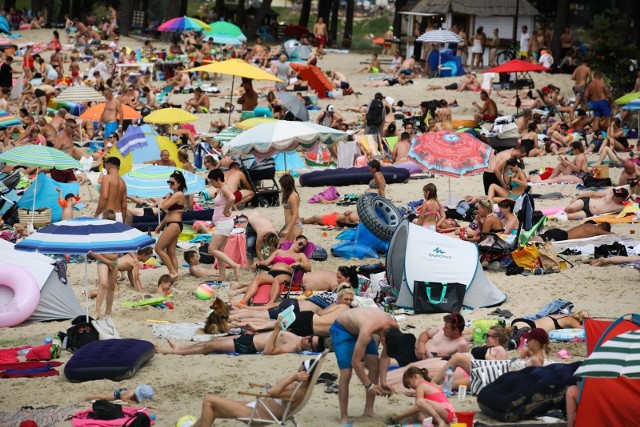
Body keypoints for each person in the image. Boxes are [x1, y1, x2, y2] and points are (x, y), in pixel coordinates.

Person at [190, 358, 318, 427]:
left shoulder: (297, 393)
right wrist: (294, 377)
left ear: (305, 374)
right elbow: (278, 382)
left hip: (258, 415)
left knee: (208, 400)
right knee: (213, 410)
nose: (296, 372)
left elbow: (272, 392)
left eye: (299, 370)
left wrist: (292, 378)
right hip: (257, 407)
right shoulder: (299, 386)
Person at [330, 307, 399, 425]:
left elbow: (384, 357)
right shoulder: (368, 330)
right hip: (342, 329)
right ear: (382, 336)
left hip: (360, 328)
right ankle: (344, 416)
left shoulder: (394, 328)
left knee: (374, 364)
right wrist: (370, 385)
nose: (382, 343)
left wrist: (383, 382)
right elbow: (356, 362)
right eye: (383, 342)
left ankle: (369, 410)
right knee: (346, 372)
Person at [155, 315, 324, 356]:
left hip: (249, 346)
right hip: (250, 338)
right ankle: (182, 348)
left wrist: (276, 331)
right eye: (310, 336)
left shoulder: (293, 347)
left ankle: (174, 352)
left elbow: (269, 352)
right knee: (214, 340)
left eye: (309, 341)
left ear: (310, 347)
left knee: (211, 346)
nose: (307, 338)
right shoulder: (298, 339)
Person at [236, 235, 311, 306]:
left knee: (277, 280)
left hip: (286, 275)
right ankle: (244, 301)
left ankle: (270, 303)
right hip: (272, 273)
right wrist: (258, 262)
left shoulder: (300, 255)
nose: (301, 247)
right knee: (257, 278)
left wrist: (299, 263)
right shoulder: (278, 251)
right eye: (300, 243)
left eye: (303, 246)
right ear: (295, 240)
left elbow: (308, 268)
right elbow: (266, 262)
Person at [431, 325, 509, 388]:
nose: (486, 337)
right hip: (481, 375)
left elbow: (502, 368)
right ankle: (433, 386)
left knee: (457, 357)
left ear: (496, 339)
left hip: (488, 378)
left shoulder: (499, 349)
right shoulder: (492, 348)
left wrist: (488, 355)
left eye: (488, 335)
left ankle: (432, 383)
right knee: (452, 384)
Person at [389, 367, 456, 427]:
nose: (410, 387)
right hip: (449, 413)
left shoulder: (420, 386)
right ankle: (432, 423)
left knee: (419, 402)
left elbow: (418, 406)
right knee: (415, 414)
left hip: (445, 411)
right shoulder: (431, 383)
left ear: (415, 377)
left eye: (409, 383)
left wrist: (400, 416)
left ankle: (440, 422)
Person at [206, 169, 241, 282]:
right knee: (219, 251)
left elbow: (232, 198)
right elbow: (219, 207)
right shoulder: (221, 189)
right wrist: (213, 223)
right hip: (222, 223)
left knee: (211, 249)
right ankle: (222, 277)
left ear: (218, 179)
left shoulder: (224, 188)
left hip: (224, 223)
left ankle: (234, 265)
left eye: (212, 181)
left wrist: (226, 210)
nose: (212, 184)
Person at [154, 170, 186, 279]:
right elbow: (169, 213)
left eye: (172, 183)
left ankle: (172, 272)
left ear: (179, 183)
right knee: (171, 251)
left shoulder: (178, 194)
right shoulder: (175, 194)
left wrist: (166, 197)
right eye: (169, 182)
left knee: (158, 249)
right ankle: (175, 275)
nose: (170, 185)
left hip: (174, 224)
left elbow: (164, 207)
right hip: (173, 223)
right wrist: (161, 225)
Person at [90, 210, 120, 319]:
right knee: (103, 283)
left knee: (112, 286)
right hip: (103, 261)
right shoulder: (99, 233)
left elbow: (117, 252)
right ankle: (97, 311)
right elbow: (93, 252)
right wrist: (108, 260)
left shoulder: (116, 233)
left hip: (113, 261)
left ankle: (108, 311)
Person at [562, 187, 629, 220]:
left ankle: (558, 216)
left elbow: (634, 206)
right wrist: (577, 197)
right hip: (587, 202)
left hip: (590, 213)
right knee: (571, 208)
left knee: (569, 217)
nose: (614, 195)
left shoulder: (620, 207)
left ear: (621, 199)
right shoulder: (610, 192)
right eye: (615, 194)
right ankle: (561, 212)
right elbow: (593, 194)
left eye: (617, 195)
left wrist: (631, 198)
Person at [95, 157, 127, 222]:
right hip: (119, 215)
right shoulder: (123, 182)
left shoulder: (107, 178)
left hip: (107, 214)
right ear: (118, 167)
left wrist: (97, 213)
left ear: (108, 166)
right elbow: (124, 204)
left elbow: (104, 196)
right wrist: (123, 219)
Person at [532, 221, 611, 243]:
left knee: (541, 238)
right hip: (562, 236)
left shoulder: (589, 224)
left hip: (560, 232)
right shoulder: (595, 229)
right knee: (540, 240)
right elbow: (610, 234)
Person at [510, 311, 589, 332]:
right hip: (531, 327)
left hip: (524, 321)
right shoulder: (570, 319)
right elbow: (584, 329)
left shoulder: (561, 315)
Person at [278, 174, 302, 242]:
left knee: (285, 247)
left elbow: (295, 214)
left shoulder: (293, 196)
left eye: (282, 186)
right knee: (280, 245)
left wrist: (287, 229)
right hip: (289, 225)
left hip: (294, 226)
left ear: (286, 185)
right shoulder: (287, 194)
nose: (281, 188)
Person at [86, 384, 154, 404]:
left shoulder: (135, 394)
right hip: (118, 395)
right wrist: (132, 402)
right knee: (104, 397)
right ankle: (88, 397)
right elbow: (123, 398)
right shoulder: (132, 393)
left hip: (124, 392)